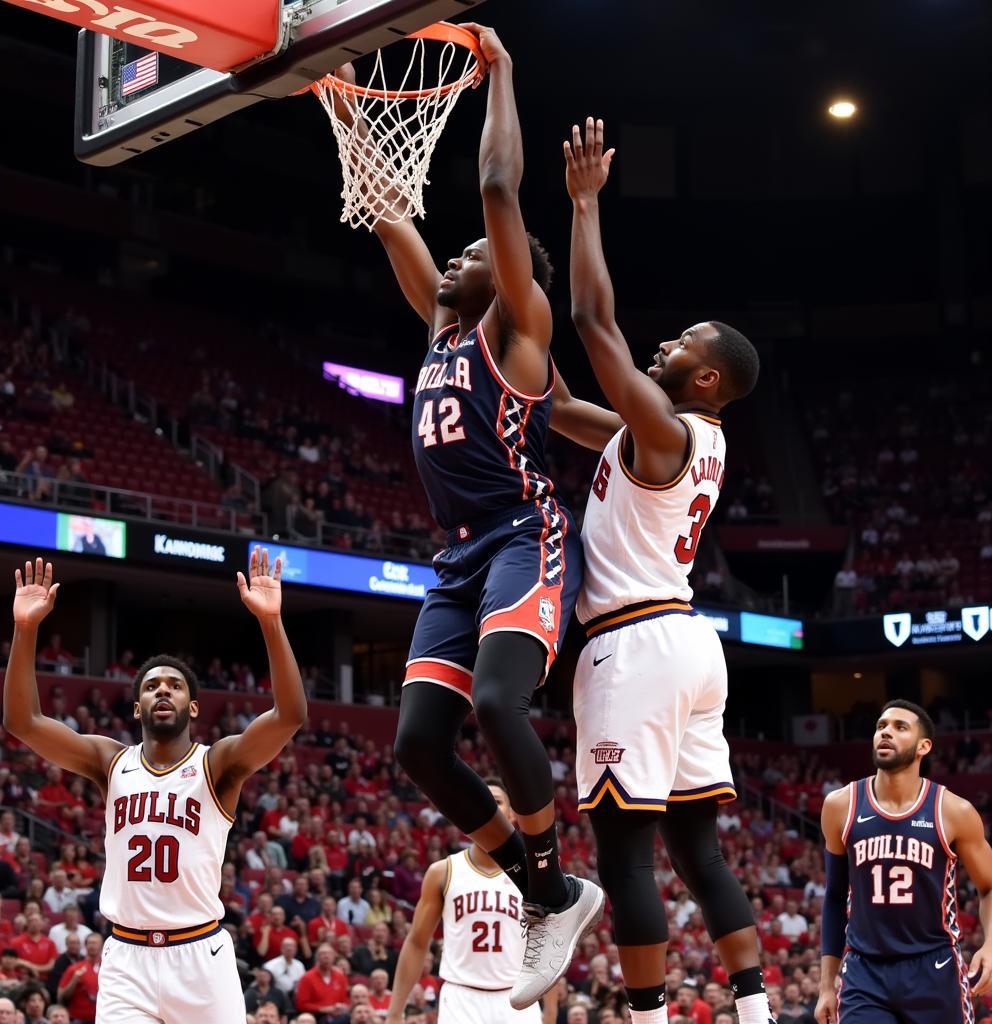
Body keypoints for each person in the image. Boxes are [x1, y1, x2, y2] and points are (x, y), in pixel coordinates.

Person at [321, 24, 601, 1010]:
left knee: (493, 703)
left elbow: (492, 192)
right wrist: (341, 102)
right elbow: (390, 205)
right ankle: (551, 892)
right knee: (417, 745)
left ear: (513, 273)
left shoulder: (518, 330)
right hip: (456, 558)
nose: (453, 259)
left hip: (527, 537)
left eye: (472, 254)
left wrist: (503, 75)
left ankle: (551, 879)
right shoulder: (441, 325)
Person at [554, 118, 768, 1024]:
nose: (664, 346)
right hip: (686, 642)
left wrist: (586, 203)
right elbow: (559, 404)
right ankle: (755, 1012)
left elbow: (594, 321)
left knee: (624, 857)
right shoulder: (669, 436)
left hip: (635, 645)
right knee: (699, 854)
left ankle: (645, 1019)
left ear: (708, 380)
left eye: (682, 344)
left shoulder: (667, 428)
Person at [3, 549, 307, 1024]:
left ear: (192, 708)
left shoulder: (218, 764)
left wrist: (271, 622)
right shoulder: (110, 762)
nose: (161, 689)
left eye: (174, 685)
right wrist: (25, 630)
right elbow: (23, 721)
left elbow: (289, 716)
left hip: (200, 957)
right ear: (137, 710)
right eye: (150, 687)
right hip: (127, 959)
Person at [816, 700, 992, 1023]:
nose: (886, 733)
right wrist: (826, 985)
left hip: (934, 968)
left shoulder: (953, 811)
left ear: (924, 746)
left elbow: (990, 886)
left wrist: (991, 945)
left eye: (900, 727)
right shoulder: (841, 805)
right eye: (881, 726)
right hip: (864, 971)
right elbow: (834, 896)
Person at [387, 780, 537, 1024]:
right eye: (480, 801)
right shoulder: (443, 871)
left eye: (496, 801)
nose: (488, 806)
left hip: (518, 999)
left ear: (512, 816)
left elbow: (553, 946)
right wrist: (394, 1013)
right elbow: (416, 942)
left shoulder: (534, 874)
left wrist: (550, 1011)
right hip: (461, 997)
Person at [56, 933, 102, 1024]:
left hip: (101, 1018)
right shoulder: (75, 968)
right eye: (90, 943)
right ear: (85, 946)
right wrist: (74, 981)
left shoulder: (108, 968)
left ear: (101, 945)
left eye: (95, 943)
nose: (92, 946)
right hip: (78, 1018)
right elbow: (60, 996)